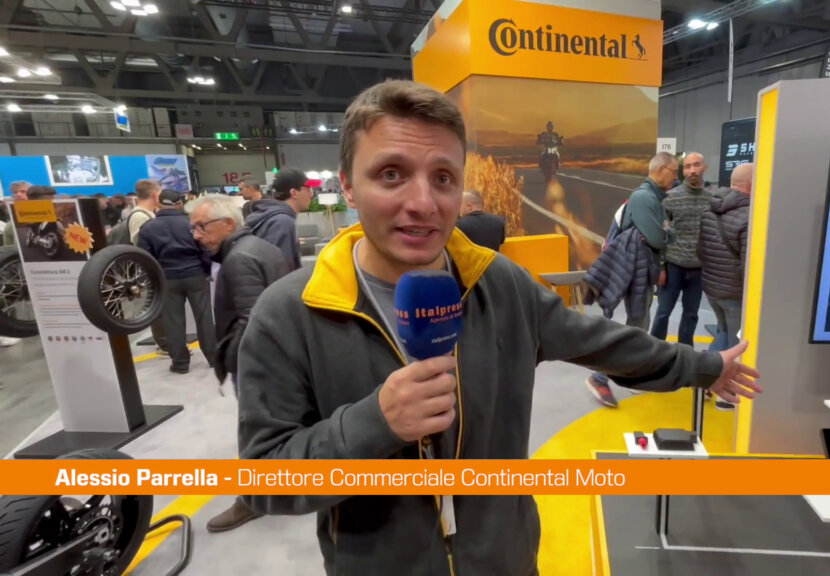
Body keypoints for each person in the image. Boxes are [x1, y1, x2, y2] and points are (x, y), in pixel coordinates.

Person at [236, 80, 761, 576]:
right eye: (391, 174)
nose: (423, 202)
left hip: (506, 560)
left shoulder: (499, 284)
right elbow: (264, 482)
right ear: (349, 186)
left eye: (443, 178)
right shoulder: (292, 312)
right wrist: (376, 422)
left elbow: (605, 343)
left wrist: (702, 366)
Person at [186, 193, 289, 533]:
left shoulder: (239, 258)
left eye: (202, 226)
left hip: (258, 364)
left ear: (228, 224)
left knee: (254, 431)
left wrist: (232, 361)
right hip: (277, 358)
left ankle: (253, 500)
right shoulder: (260, 247)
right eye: (193, 228)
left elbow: (252, 320)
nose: (196, 235)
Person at [585, 151, 678, 408]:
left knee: (638, 324)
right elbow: (659, 238)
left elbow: (662, 235)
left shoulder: (654, 198)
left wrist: (664, 233)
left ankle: (630, 375)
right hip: (635, 269)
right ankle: (599, 376)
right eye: (674, 171)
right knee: (636, 327)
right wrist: (666, 233)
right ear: (661, 169)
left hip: (641, 268)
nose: (676, 176)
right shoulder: (645, 198)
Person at [136, 189, 217, 374]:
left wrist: (155, 279)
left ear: (159, 204)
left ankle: (180, 363)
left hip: (167, 278)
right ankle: (213, 358)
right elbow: (205, 249)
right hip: (195, 275)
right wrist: (206, 271)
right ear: (180, 203)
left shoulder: (148, 228)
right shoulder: (191, 223)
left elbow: (145, 258)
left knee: (173, 321)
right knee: (204, 317)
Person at [697, 162, 753, 411]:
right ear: (751, 184)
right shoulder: (749, 216)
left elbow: (701, 250)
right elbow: (748, 264)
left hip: (712, 288)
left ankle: (703, 380)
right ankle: (725, 396)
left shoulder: (709, 209)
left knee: (722, 332)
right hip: (734, 292)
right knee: (734, 342)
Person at [650, 152, 715, 347]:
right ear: (682, 171)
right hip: (673, 267)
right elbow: (660, 235)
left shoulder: (713, 199)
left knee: (691, 314)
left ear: (705, 167)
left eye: (696, 165)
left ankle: (685, 354)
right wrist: (661, 267)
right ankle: (655, 352)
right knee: (663, 312)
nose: (692, 170)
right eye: (687, 166)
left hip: (698, 269)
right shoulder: (670, 199)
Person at [244, 168, 312, 271]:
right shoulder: (282, 222)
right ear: (294, 193)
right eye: (307, 189)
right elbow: (280, 270)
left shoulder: (270, 216)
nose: (311, 194)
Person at [0, 181, 32, 347]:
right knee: (6, 296)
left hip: (40, 266)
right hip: (17, 271)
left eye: (23, 192)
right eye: (16, 192)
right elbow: (7, 251)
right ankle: (7, 331)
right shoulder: (11, 225)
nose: (18, 195)